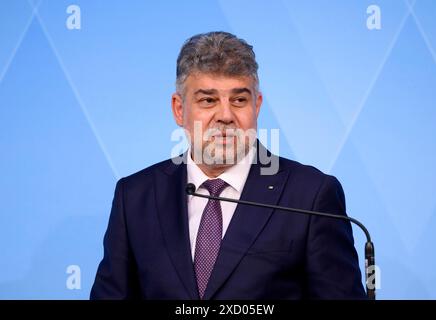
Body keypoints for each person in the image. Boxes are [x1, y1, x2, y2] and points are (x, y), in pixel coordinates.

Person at [90, 31, 366, 299]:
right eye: (208, 100)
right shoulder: (136, 196)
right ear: (178, 109)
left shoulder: (310, 195)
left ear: (256, 106)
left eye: (239, 100)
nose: (225, 115)